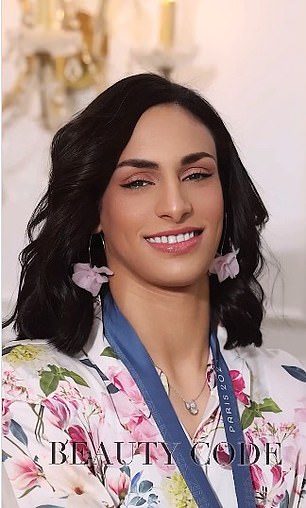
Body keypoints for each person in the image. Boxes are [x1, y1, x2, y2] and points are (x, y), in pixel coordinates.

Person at [2, 73, 305, 508]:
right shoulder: (33, 391)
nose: (176, 205)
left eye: (197, 174)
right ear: (95, 212)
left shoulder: (291, 392)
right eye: (139, 182)